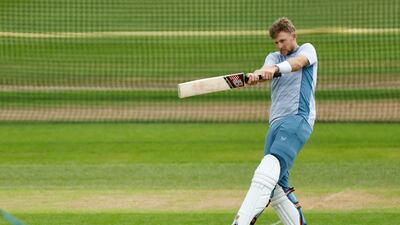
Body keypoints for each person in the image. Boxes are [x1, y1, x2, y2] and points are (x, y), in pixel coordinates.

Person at [232, 17, 318, 225]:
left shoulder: (307, 49)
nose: (280, 46)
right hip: (276, 124)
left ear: (293, 36)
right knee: (276, 185)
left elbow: (297, 64)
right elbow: (266, 69)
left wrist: (274, 70)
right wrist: (258, 75)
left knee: (267, 170)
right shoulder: (273, 56)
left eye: (283, 41)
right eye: (276, 43)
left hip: (297, 119)